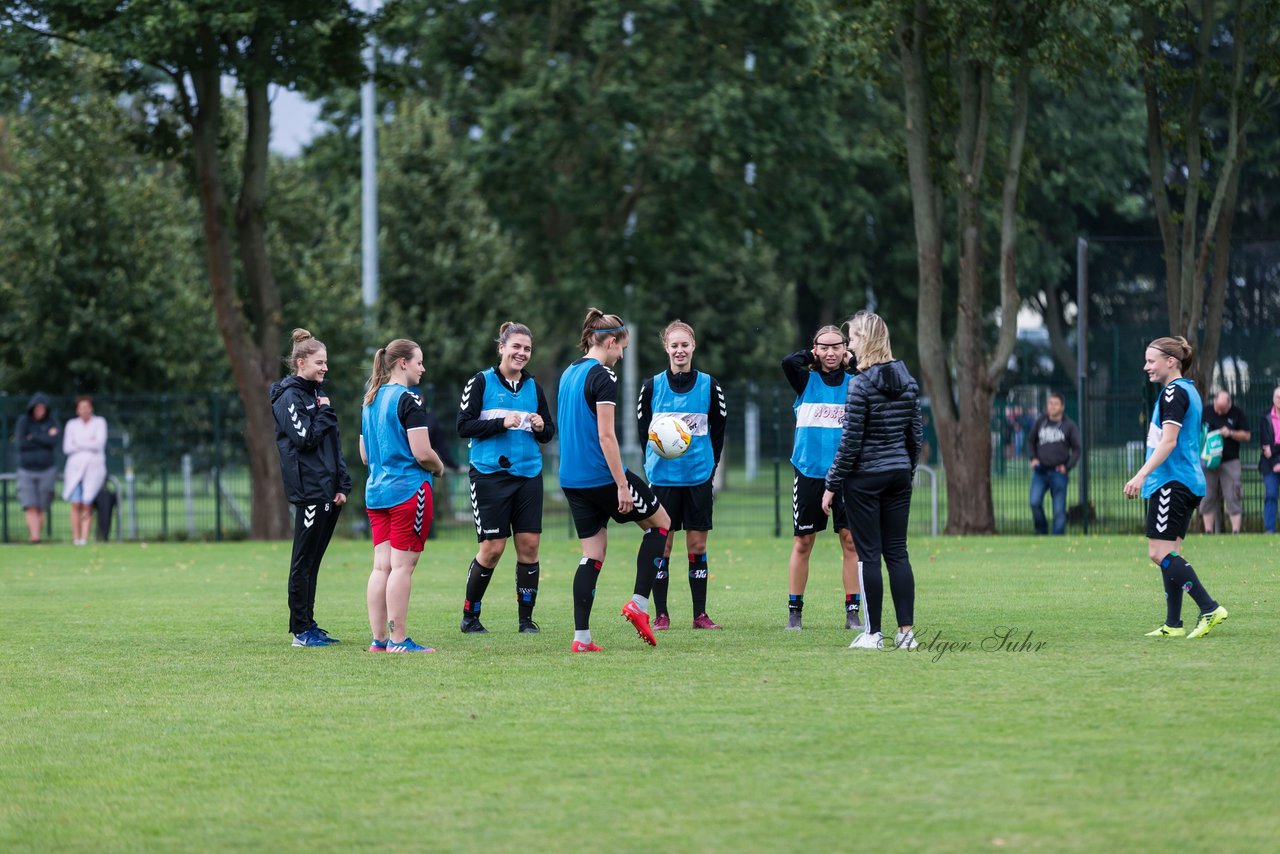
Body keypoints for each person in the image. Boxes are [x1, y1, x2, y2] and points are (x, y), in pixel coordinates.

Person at [558, 308, 671, 652]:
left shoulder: (569, 372)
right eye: (622, 347)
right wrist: (622, 484)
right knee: (662, 524)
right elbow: (607, 436)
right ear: (610, 341)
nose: (622, 354)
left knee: (592, 552)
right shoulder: (603, 376)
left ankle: (582, 638)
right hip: (601, 476)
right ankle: (638, 603)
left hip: (571, 478)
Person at [822, 311, 923, 651]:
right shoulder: (909, 382)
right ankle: (906, 633)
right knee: (898, 553)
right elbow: (916, 437)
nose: (849, 345)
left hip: (865, 479)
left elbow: (850, 442)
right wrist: (906, 472)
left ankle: (873, 632)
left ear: (867, 340)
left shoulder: (860, 384)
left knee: (868, 556)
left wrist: (832, 483)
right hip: (897, 475)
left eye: (853, 338)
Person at [1123, 336, 1228, 639]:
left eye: (1150, 361)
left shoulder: (1172, 392)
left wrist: (1141, 475)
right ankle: (1173, 624)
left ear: (1171, 361)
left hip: (1172, 481)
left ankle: (1209, 608)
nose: (1146, 367)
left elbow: (1169, 441)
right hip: (1188, 481)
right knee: (1170, 553)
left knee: (1158, 553)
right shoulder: (1189, 391)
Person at [455, 321, 557, 634]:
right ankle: (470, 616)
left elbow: (549, 433)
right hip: (489, 476)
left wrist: (541, 427)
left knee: (529, 546)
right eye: (516, 347)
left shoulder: (533, 387)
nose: (521, 353)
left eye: (526, 348)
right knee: (493, 548)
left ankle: (526, 620)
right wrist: (501, 423)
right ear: (502, 348)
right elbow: (464, 426)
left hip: (528, 475)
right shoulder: (481, 382)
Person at [636, 320, 727, 631]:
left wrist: (710, 469)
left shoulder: (709, 385)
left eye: (684, 344)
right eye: (674, 345)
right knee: (663, 547)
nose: (679, 350)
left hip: (698, 477)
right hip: (663, 480)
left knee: (697, 547)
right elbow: (642, 432)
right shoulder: (651, 386)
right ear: (666, 348)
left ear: (693, 347)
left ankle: (699, 615)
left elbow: (718, 430)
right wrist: (652, 464)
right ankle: (661, 615)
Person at [361, 339, 447, 653]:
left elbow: (365, 454)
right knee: (401, 568)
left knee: (381, 567)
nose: (422, 368)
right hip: (408, 491)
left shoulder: (370, 399)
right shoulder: (409, 399)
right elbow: (423, 452)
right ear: (403, 364)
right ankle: (399, 640)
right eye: (419, 362)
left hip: (376, 493)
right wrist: (439, 468)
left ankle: (379, 640)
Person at [270, 328, 353, 648]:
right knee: (303, 562)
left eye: (326, 362)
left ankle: (310, 624)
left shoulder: (317, 396)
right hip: (309, 491)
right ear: (301, 362)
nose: (325, 368)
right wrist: (323, 412)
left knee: (314, 561)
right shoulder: (289, 396)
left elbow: (332, 444)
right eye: (320, 362)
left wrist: (342, 484)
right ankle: (300, 630)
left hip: (328, 491)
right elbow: (304, 438)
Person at [781, 326, 861, 631]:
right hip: (809, 472)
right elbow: (788, 362)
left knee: (851, 542)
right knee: (803, 542)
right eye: (823, 348)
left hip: (847, 475)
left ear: (846, 350)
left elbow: (870, 371)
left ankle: (852, 613)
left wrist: (853, 362)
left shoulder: (856, 383)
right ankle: (795, 612)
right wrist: (810, 354)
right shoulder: (805, 380)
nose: (830, 353)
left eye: (836, 347)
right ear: (815, 350)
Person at [1028, 392, 1082, 535]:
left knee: (1059, 509)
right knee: (1034, 502)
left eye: (1056, 404)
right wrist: (1033, 457)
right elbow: (1031, 441)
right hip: (1040, 471)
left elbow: (1077, 449)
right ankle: (1041, 532)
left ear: (1062, 407)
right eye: (1050, 403)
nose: (1052, 407)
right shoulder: (1040, 422)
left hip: (1058, 472)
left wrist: (1067, 466)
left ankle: (1057, 537)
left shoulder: (1069, 426)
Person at [1200, 390, 1250, 534]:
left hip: (1230, 461)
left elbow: (1247, 435)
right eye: (1218, 409)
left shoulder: (1237, 413)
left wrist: (1231, 433)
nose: (1220, 413)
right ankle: (1208, 531)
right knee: (1208, 495)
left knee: (1233, 494)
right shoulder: (1206, 412)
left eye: (1223, 410)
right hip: (1208, 460)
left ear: (1229, 404)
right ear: (1214, 402)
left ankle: (1235, 531)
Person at [62, 395, 107, 546]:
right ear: (77, 410)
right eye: (81, 407)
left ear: (91, 408)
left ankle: (84, 538)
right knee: (76, 503)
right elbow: (68, 447)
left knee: (87, 503)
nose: (84, 410)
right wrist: (89, 443)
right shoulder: (71, 425)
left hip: (92, 469)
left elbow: (99, 444)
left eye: (87, 407)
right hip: (75, 470)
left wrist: (79, 443)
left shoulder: (99, 422)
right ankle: (76, 538)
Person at [15, 393, 58, 544]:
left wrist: (33, 437)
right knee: (30, 505)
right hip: (26, 469)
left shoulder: (52, 421)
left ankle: (35, 534)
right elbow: (21, 444)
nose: (40, 410)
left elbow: (54, 441)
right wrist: (43, 437)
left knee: (41, 506)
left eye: (43, 408)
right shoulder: (23, 421)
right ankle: (35, 537)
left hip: (46, 469)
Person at [1260, 384, 1280, 534]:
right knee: (1271, 495)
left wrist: (1274, 448)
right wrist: (1275, 463)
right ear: (1273, 399)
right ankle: (1269, 529)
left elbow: (1271, 448)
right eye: (1277, 397)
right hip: (1270, 465)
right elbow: (1265, 446)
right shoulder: (1265, 416)